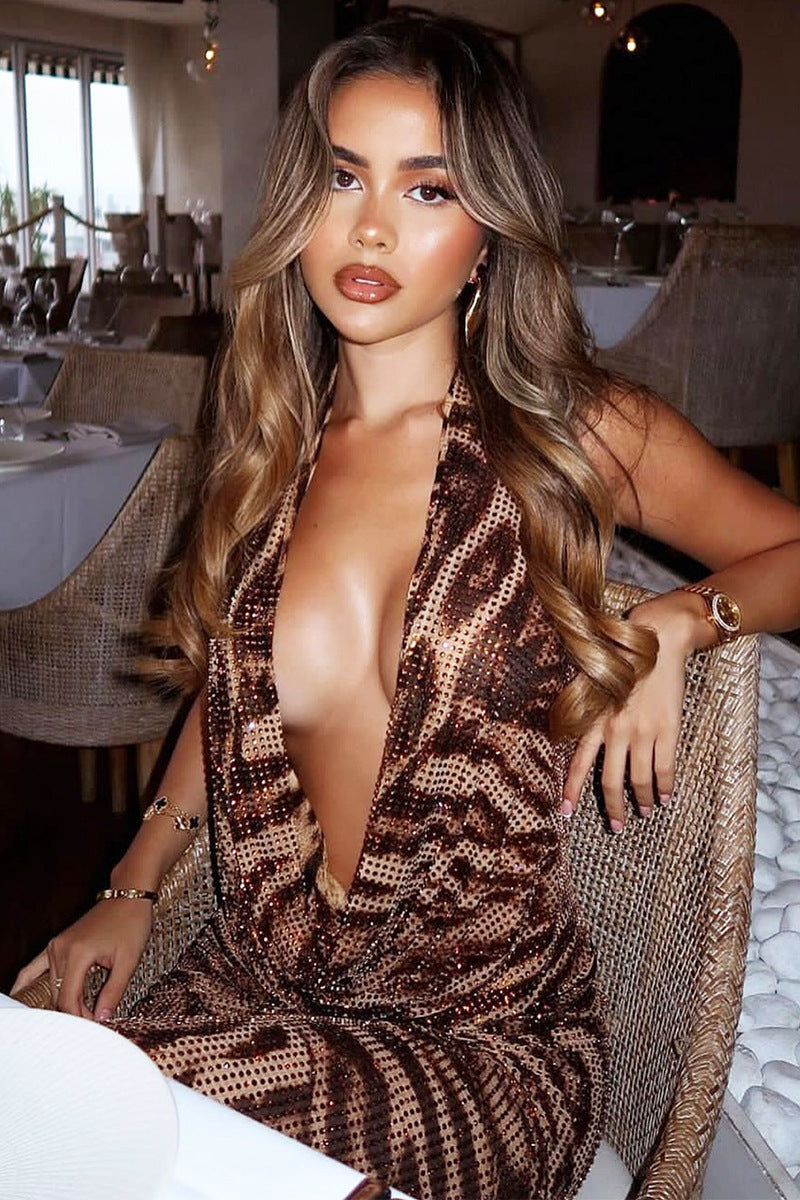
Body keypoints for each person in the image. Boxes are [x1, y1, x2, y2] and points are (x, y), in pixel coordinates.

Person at [13, 14, 800, 1200]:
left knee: (85, 1114)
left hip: (480, 1042)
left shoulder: (571, 433)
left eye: (427, 189)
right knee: (61, 1100)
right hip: (260, 984)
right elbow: (230, 700)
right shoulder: (269, 440)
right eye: (343, 177)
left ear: (489, 237)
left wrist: (684, 621)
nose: (370, 226)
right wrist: (130, 888)